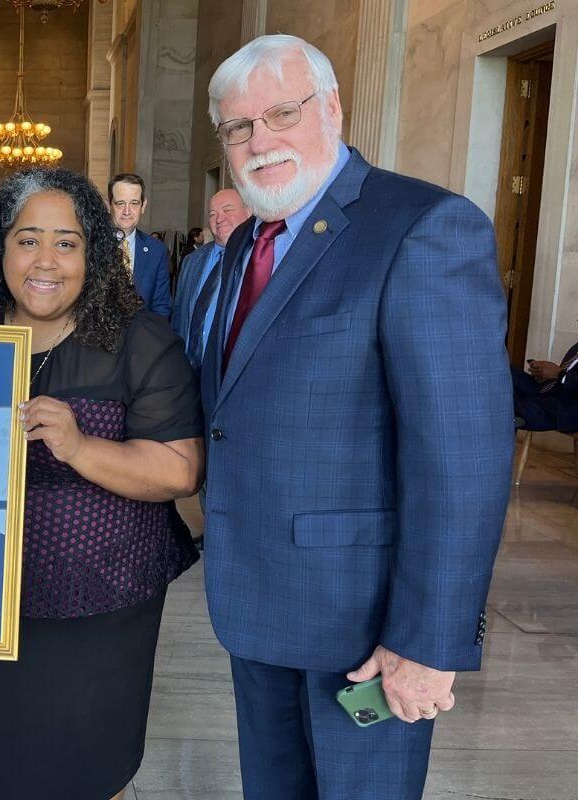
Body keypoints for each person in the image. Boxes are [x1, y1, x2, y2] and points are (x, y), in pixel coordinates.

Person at [198, 35, 512, 800]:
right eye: (239, 128)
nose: (259, 141)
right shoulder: (245, 244)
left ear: (333, 107)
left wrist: (427, 641)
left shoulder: (424, 227)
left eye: (282, 112)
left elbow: (462, 459)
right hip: (256, 606)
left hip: (365, 632)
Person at [0, 167, 205, 800]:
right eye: (27, 238)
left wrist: (81, 446)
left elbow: (179, 469)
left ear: (93, 252)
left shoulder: (138, 341)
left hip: (105, 605)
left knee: (86, 771)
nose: (46, 260)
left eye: (66, 242)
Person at [171, 189, 250, 373]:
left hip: (228, 374)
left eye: (227, 210)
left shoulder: (257, 260)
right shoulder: (192, 261)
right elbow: (179, 316)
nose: (219, 218)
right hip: (186, 374)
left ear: (249, 212)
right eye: (212, 214)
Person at [108, 173, 172, 318]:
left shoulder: (157, 251)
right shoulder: (91, 244)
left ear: (143, 206)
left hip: (142, 337)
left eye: (134, 203)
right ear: (109, 205)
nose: (127, 211)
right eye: (120, 203)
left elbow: (161, 306)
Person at [513, 343, 578, 431]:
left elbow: (562, 375)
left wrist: (560, 375)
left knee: (512, 403)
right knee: (506, 372)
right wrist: (545, 375)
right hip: (550, 388)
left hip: (567, 407)